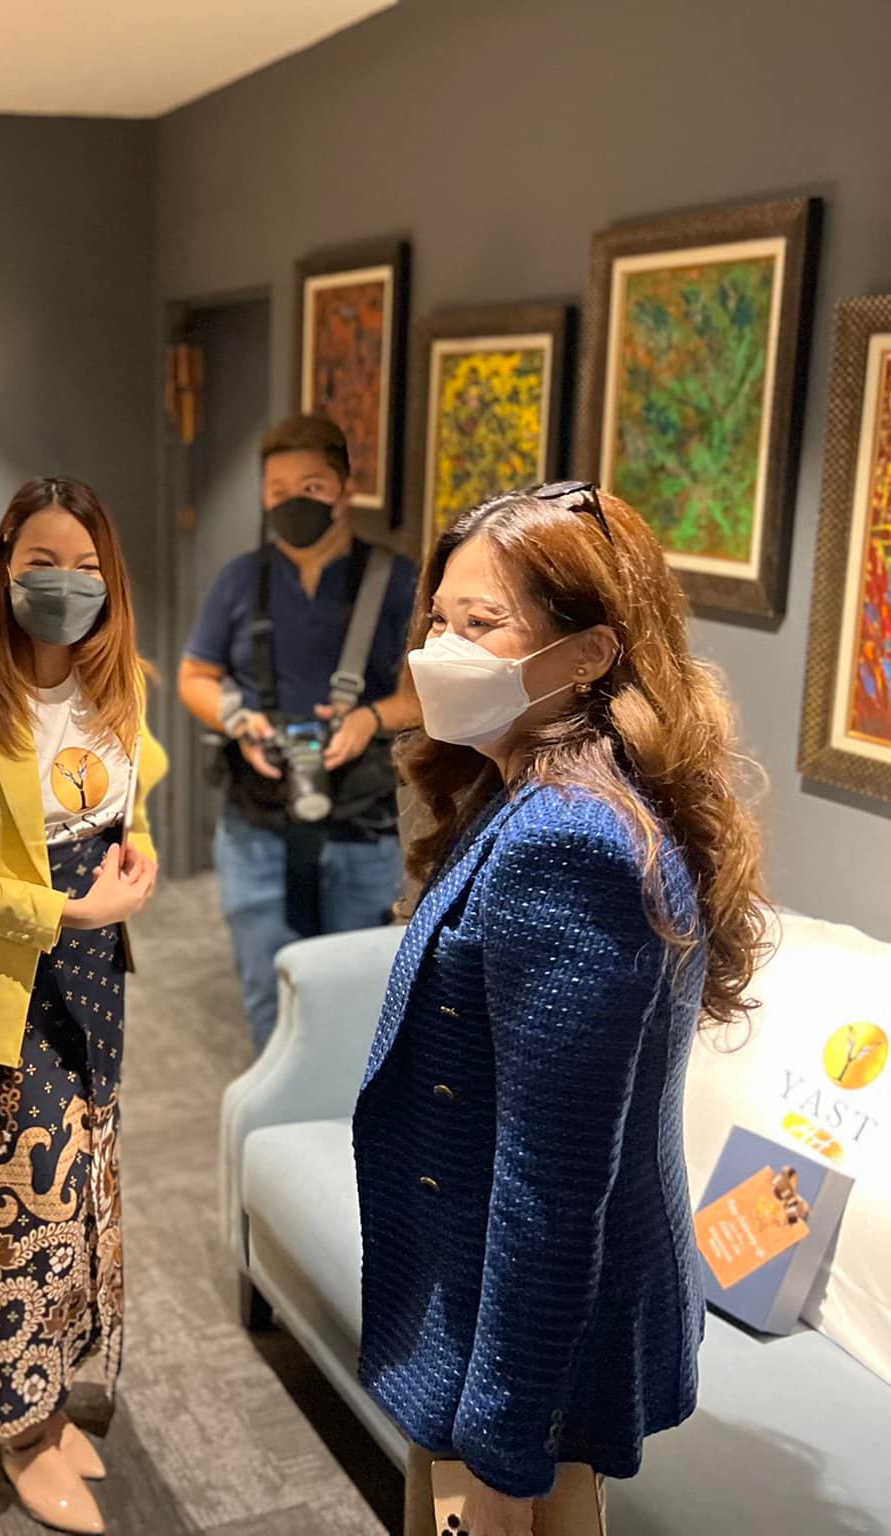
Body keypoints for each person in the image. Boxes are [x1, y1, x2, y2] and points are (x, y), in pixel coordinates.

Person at [355, 483, 769, 1536]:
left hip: (525, 1350)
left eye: (481, 623)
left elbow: (551, 1185)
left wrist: (504, 1457)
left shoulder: (568, 838)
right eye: (438, 620)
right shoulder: (534, 787)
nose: (440, 650)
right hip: (493, 1315)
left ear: (585, 655)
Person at [0, 477, 166, 1536]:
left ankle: (54, 1400)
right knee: (11, 1217)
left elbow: (124, 803)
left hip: (94, 977)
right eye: (40, 564)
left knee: (84, 1195)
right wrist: (63, 908)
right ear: (4, 570)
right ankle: (19, 1428)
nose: (63, 583)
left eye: (84, 566)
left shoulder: (120, 683)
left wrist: (133, 856)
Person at [178, 415, 421, 1051]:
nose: (293, 503)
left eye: (311, 487)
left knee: (359, 994)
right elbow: (195, 677)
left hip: (361, 824)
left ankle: (349, 1110)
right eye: (278, 491)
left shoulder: (397, 581)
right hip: (257, 823)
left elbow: (425, 694)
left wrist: (368, 718)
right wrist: (238, 720)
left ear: (345, 489)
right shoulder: (240, 580)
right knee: (270, 988)